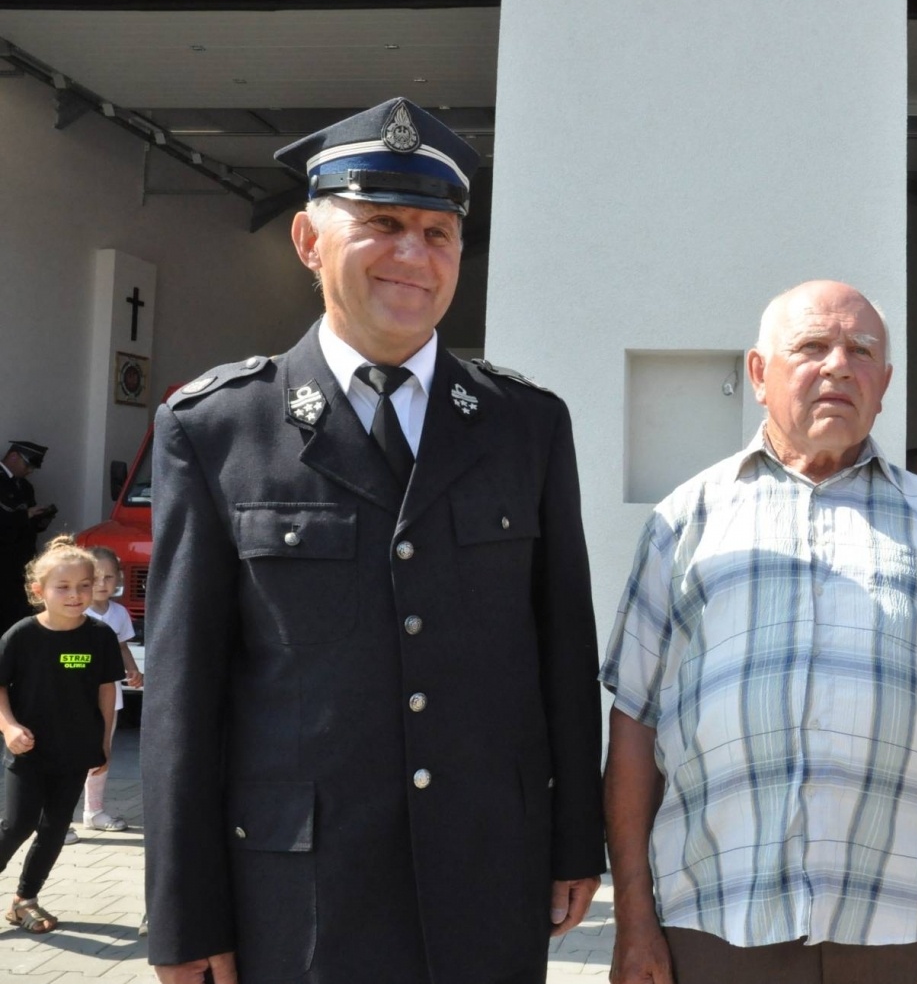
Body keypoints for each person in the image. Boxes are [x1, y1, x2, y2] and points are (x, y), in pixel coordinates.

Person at [143, 98, 605, 984]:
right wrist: (184, 913)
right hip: (300, 892)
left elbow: (561, 652)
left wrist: (572, 840)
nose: (413, 254)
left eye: (439, 232)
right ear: (309, 241)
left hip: (486, 879)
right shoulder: (219, 427)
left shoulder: (526, 425)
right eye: (383, 224)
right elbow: (183, 694)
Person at [602, 280, 917, 984]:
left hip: (908, 922)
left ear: (884, 382)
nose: (838, 365)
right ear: (757, 374)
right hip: (718, 921)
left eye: (860, 351)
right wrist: (633, 921)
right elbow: (634, 727)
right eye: (811, 347)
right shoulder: (685, 521)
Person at [0, 538, 123, 934]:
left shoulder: (100, 636)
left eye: (84, 585)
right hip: (29, 751)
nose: (75, 595)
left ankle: (25, 900)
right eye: (63, 587)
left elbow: (107, 690)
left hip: (75, 751)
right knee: (17, 824)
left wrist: (103, 744)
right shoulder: (21, 636)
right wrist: (9, 727)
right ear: (39, 591)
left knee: (54, 828)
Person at [79, 547, 142, 832]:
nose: (102, 583)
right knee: (69, 755)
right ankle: (55, 818)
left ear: (119, 577)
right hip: (76, 696)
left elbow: (122, 646)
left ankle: (94, 811)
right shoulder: (77, 610)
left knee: (102, 751)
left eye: (109, 576)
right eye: (96, 577)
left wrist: (133, 671)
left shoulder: (119, 613)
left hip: (111, 698)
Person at [0, 442, 54, 629]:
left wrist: (41, 519)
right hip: (3, 559)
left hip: (22, 559)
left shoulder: (25, 487)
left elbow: (29, 524)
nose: (30, 470)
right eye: (28, 465)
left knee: (21, 612)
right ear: (14, 457)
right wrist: (25, 515)